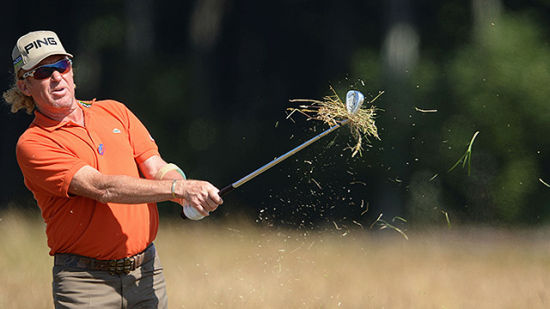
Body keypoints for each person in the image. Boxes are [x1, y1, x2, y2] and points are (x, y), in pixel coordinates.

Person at [3, 30, 223, 308]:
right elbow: (101, 187)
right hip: (85, 283)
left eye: (62, 65)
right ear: (24, 85)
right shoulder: (34, 143)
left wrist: (185, 195)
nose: (57, 77)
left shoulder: (115, 111)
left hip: (146, 273)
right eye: (43, 72)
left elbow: (158, 168)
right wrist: (179, 189)